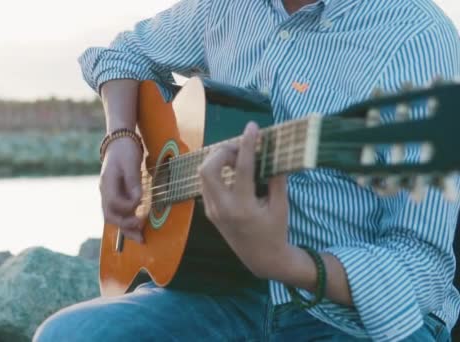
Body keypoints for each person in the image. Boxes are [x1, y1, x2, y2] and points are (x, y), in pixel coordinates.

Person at [34, 0, 460, 340]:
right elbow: (122, 55)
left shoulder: (417, 38)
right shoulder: (225, 7)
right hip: (219, 287)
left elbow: (423, 270)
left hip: (351, 319)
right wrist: (121, 138)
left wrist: (284, 261)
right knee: (67, 335)